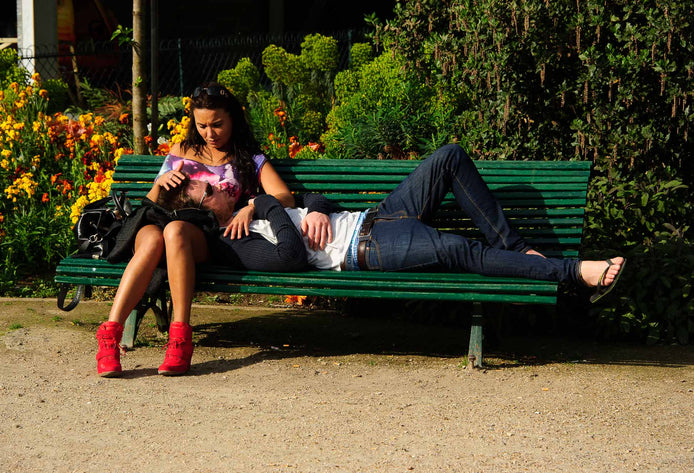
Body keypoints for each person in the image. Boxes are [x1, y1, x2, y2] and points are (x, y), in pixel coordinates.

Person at [164, 144, 626, 302]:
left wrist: (319, 207)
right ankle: (574, 272)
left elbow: (312, 198)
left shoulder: (250, 204)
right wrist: (263, 206)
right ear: (205, 212)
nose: (219, 182)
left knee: (449, 157)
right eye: (208, 189)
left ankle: (519, 247)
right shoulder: (238, 241)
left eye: (214, 180)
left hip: (375, 216)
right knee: (458, 250)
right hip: (366, 250)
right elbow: (288, 257)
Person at [94, 83, 329, 378]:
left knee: (176, 232)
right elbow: (150, 202)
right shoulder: (182, 149)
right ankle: (109, 336)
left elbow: (285, 197)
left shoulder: (248, 158)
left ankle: (179, 338)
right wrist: (160, 182)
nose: (210, 133)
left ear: (233, 119)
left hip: (201, 234)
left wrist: (252, 206)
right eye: (202, 125)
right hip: (157, 219)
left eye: (217, 124)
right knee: (154, 237)